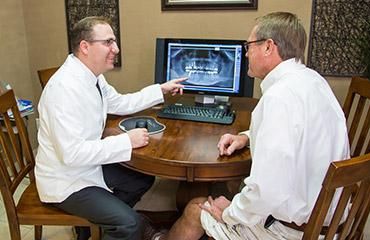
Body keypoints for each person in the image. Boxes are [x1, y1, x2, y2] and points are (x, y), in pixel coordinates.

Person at [155, 12, 350, 240]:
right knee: (235, 185)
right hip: (331, 218)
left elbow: (266, 191)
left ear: (268, 47)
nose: (246, 53)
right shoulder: (313, 81)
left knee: (195, 208)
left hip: (293, 231)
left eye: (249, 45)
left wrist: (229, 213)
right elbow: (299, 130)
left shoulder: (279, 97)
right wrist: (247, 136)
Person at [35, 16, 185, 240]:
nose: (115, 48)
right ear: (85, 47)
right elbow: (71, 154)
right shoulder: (63, 90)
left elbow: (120, 103)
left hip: (87, 166)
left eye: (114, 41)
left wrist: (160, 90)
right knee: (129, 224)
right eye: (108, 42)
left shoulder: (92, 77)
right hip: (66, 181)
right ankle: (122, 224)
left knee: (142, 179)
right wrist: (126, 141)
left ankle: (98, 226)